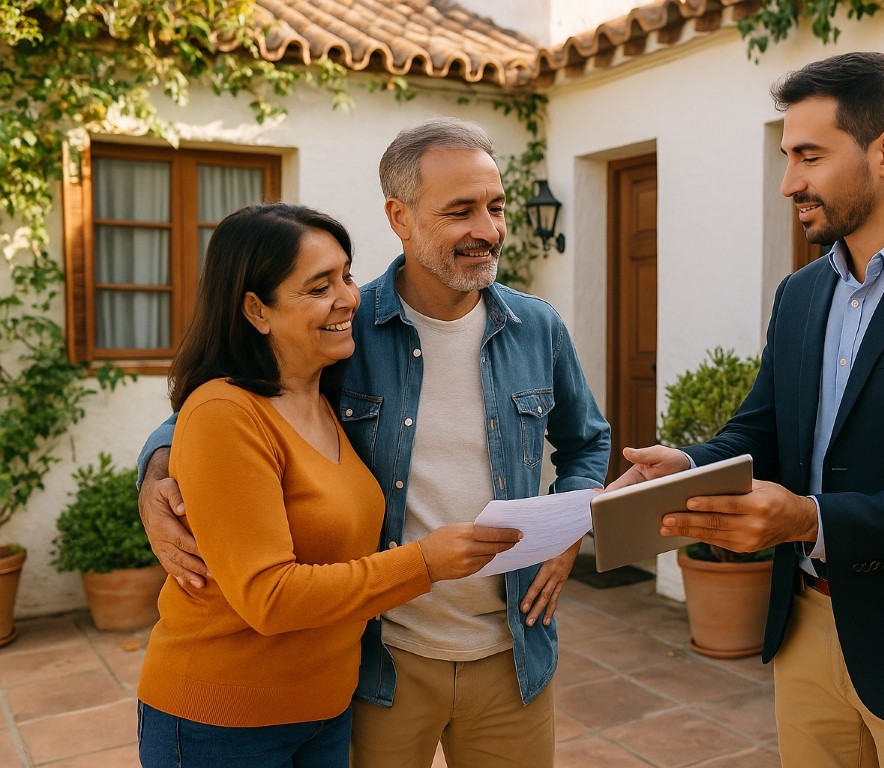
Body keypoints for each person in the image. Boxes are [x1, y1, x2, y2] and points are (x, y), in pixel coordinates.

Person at [609, 52, 884, 767]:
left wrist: (809, 520)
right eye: (787, 156)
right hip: (806, 627)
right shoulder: (801, 293)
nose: (790, 182)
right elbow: (763, 429)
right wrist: (690, 463)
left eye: (809, 156)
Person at [137, 118, 612, 768]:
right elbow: (230, 401)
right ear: (401, 216)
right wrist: (155, 475)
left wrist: (568, 528)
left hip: (513, 651)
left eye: (495, 206)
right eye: (461, 210)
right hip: (382, 659)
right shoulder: (347, 329)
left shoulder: (538, 327)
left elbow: (587, 441)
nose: (489, 229)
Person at [135, 203, 521, 767]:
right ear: (255, 310)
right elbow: (270, 598)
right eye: (319, 287)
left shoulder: (325, 392)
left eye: (345, 274)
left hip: (324, 712)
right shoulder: (225, 412)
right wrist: (425, 563)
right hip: (221, 721)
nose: (348, 298)